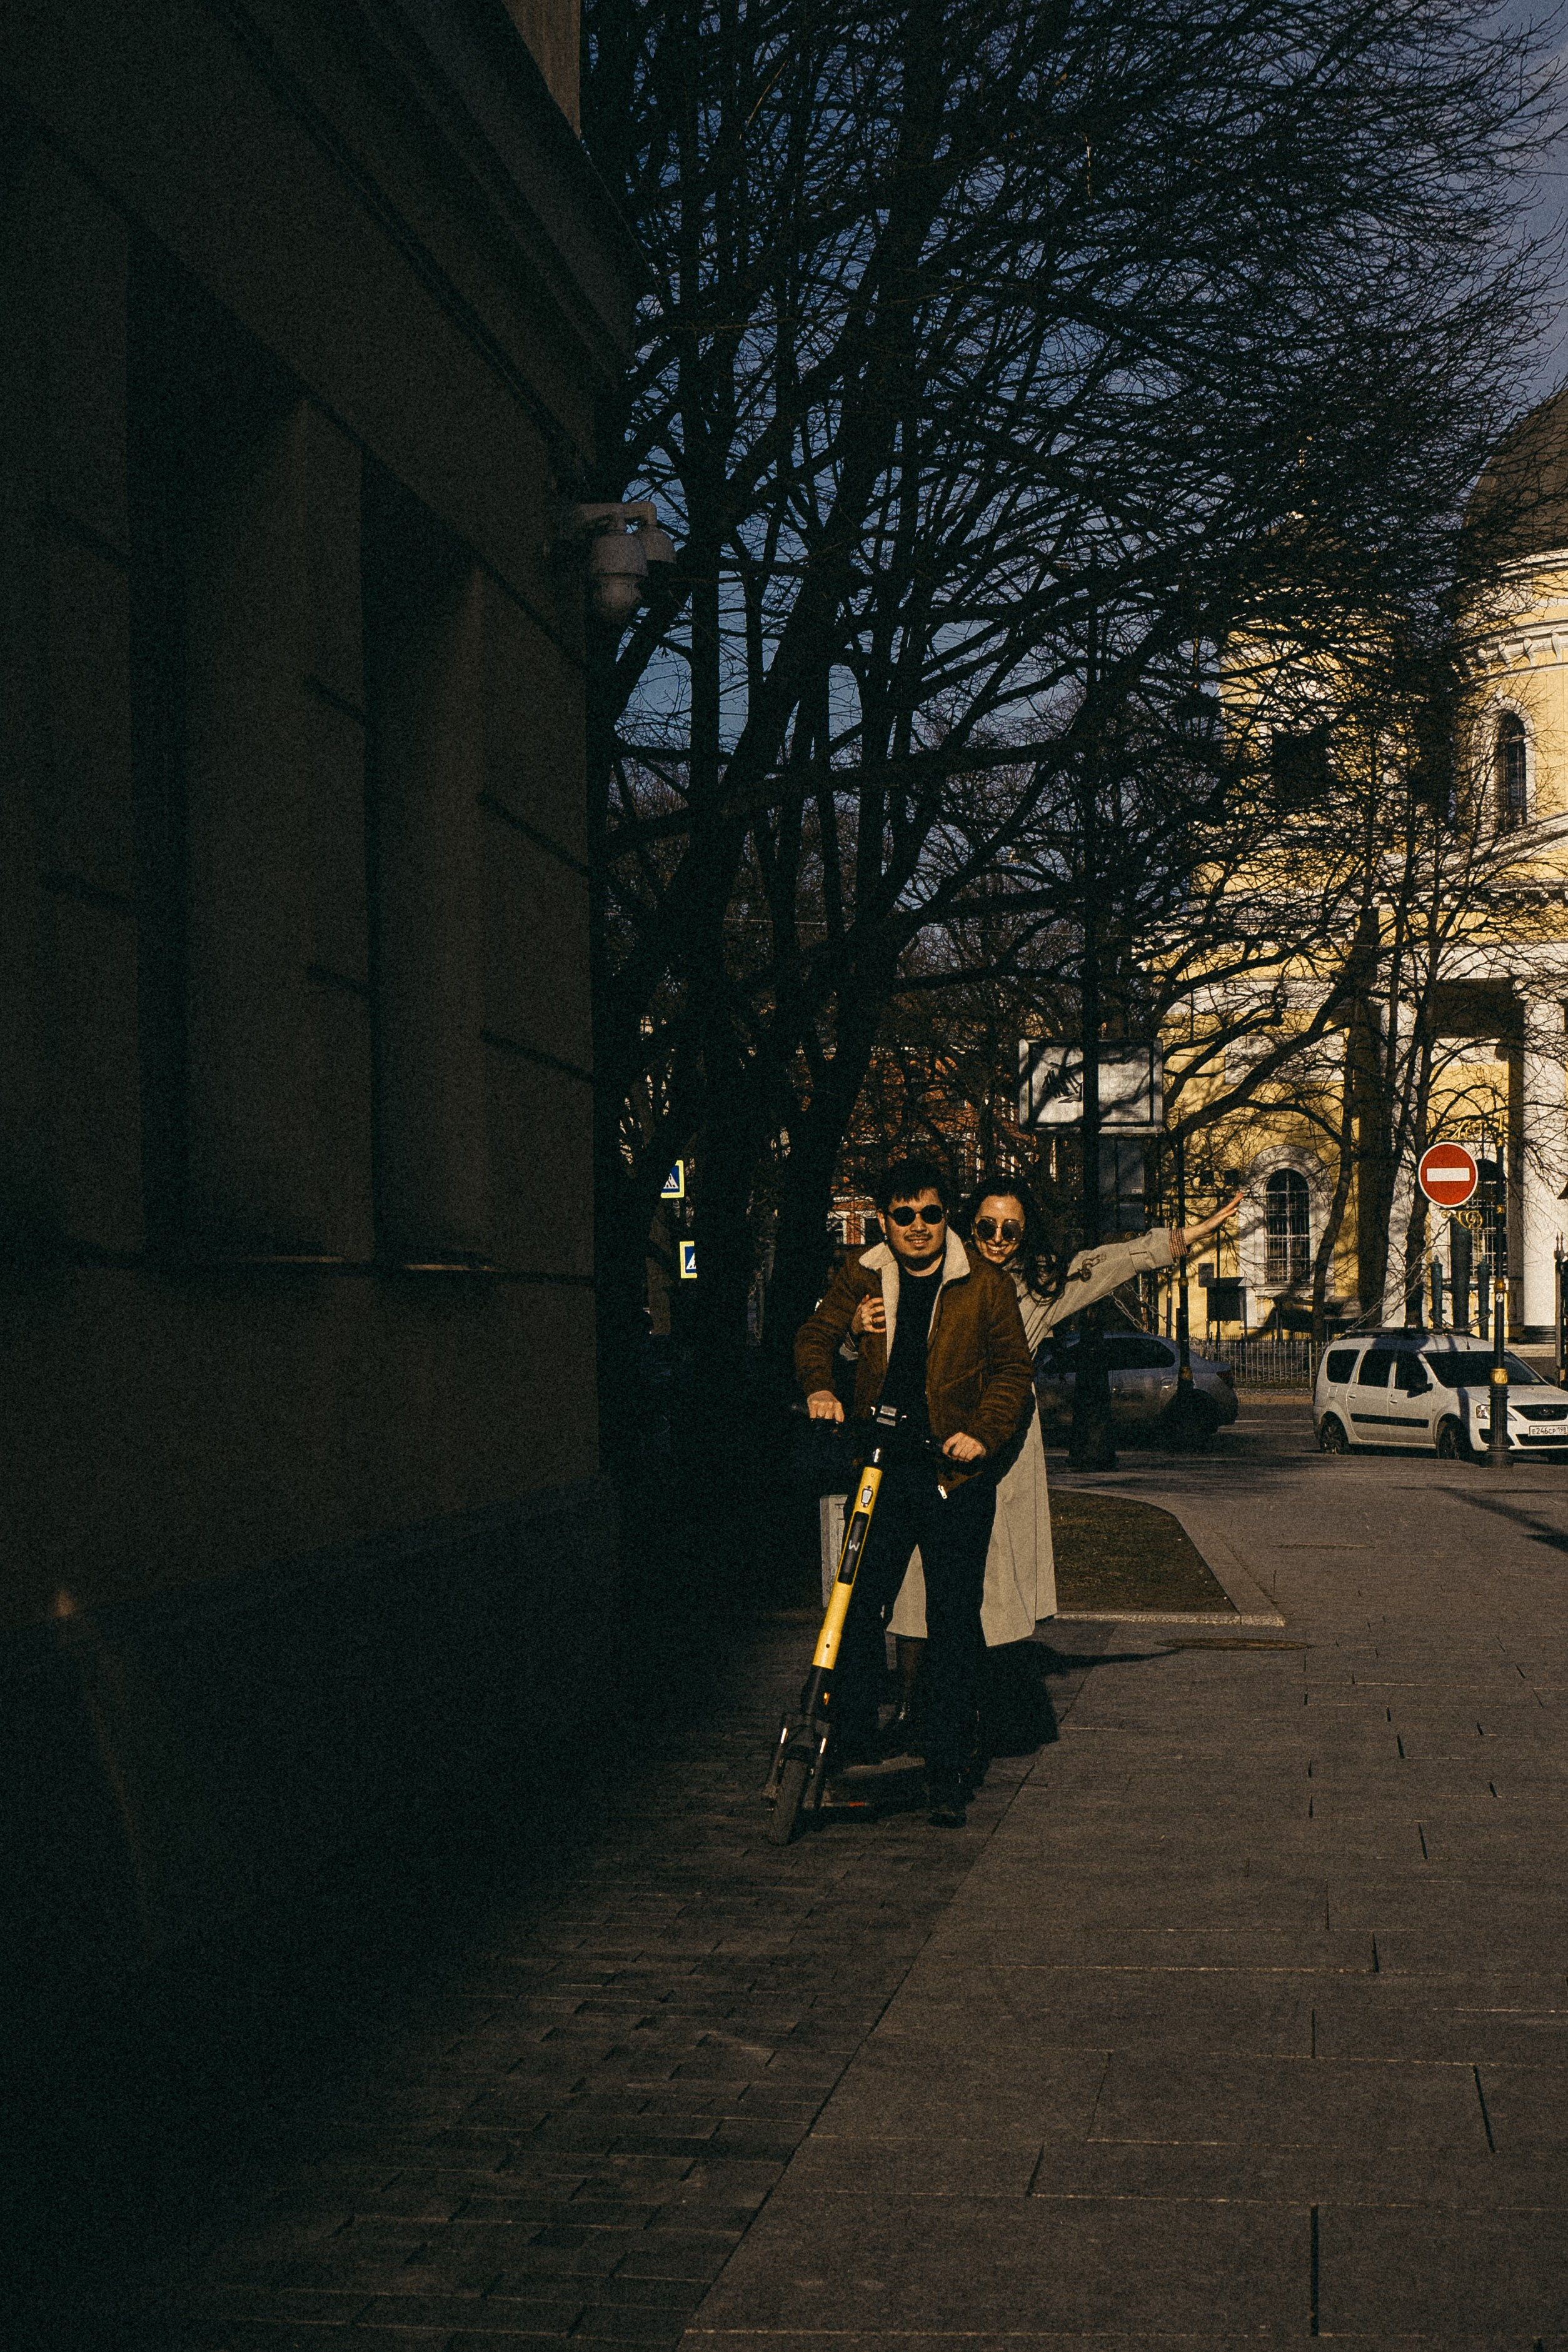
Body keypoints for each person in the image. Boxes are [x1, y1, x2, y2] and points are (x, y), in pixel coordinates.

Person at [795, 1157, 1034, 1828]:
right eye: (904, 1215)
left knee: (954, 1622)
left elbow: (1014, 1373)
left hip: (951, 1474)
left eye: (931, 1213)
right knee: (855, 1607)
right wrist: (823, 1381)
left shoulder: (984, 1286)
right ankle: (846, 1740)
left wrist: (982, 1436)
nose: (919, 1227)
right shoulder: (864, 1274)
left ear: (946, 1216)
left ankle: (949, 1764)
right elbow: (815, 1335)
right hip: (881, 1468)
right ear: (884, 1220)